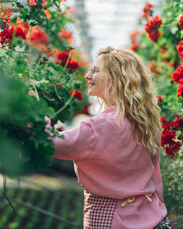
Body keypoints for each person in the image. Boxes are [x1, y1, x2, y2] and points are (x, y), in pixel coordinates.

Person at [46, 47, 170, 229]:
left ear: (115, 78)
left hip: (114, 220)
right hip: (153, 218)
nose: (87, 75)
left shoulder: (100, 127)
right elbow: (155, 179)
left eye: (95, 71)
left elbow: (49, 143)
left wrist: (35, 109)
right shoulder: (145, 123)